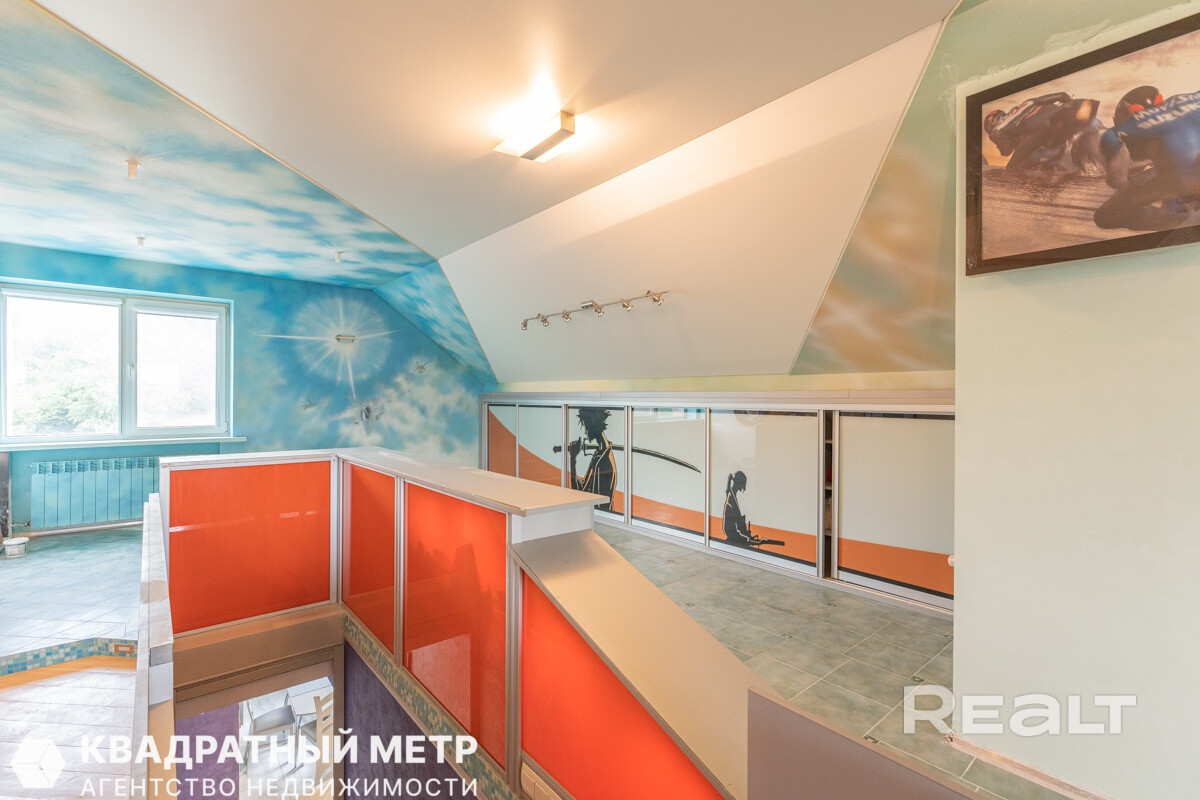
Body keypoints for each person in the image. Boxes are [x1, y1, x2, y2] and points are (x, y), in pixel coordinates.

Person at [1094, 85, 1200, 231]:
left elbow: (1110, 137)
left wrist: (1116, 174)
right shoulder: (1185, 101)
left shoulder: (1137, 122)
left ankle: (1186, 224)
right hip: (1181, 173)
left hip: (1181, 174)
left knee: (1106, 216)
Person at [984, 91, 1101, 171]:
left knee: (1011, 168)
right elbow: (1062, 95)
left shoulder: (998, 130)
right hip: (1070, 111)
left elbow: (1006, 151)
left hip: (1048, 129)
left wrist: (1009, 158)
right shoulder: (1028, 102)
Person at [568, 407, 616, 512]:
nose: (585, 432)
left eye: (585, 426)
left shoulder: (602, 460)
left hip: (599, 515)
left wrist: (572, 457)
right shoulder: (600, 454)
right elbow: (582, 489)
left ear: (592, 426)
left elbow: (580, 494)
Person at [721, 471, 783, 550]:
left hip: (737, 539)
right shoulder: (730, 501)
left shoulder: (732, 496)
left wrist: (748, 536)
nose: (743, 487)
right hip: (733, 542)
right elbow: (730, 529)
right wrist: (750, 540)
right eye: (743, 484)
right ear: (740, 483)